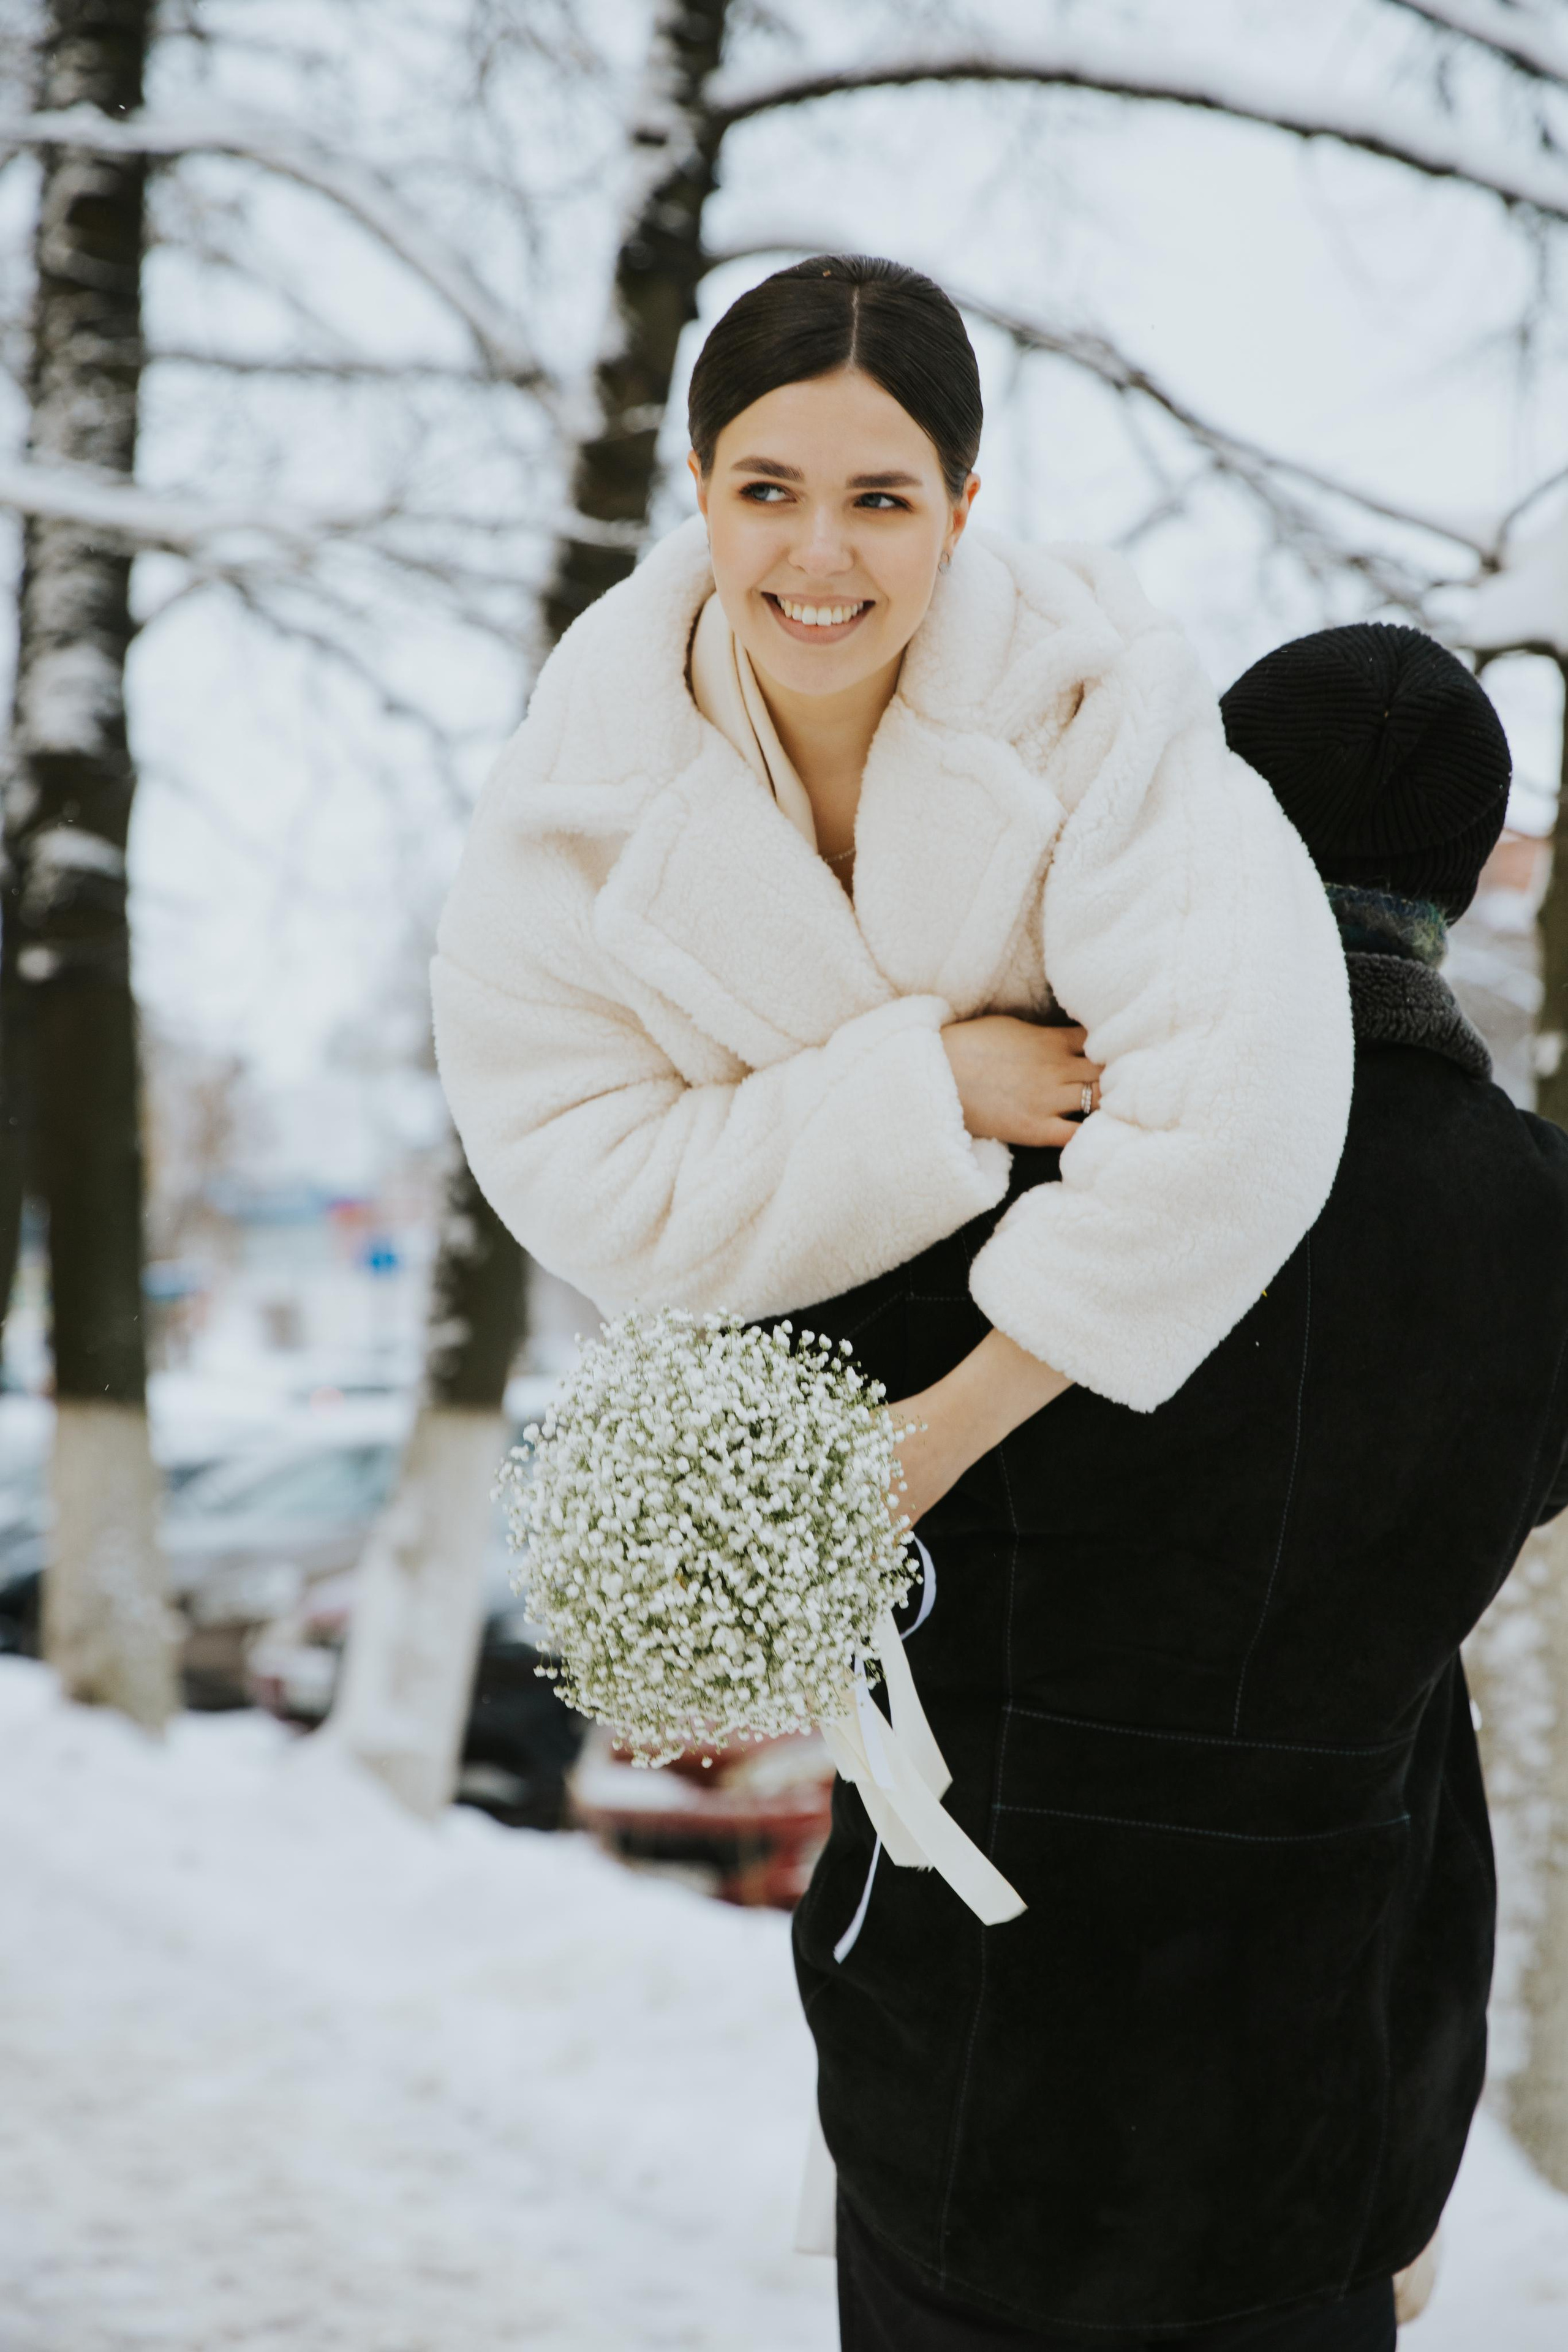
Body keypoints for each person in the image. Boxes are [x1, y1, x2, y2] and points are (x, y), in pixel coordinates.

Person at [793, 622, 1568, 2350]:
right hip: (1322, 2106)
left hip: (972, 2076)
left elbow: (796, 1415)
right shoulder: (1539, 1222)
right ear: (1462, 883)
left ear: (1206, 819)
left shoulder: (1020, 1130)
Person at [432, 253, 1350, 1469]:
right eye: (767, 492)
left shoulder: (1096, 700)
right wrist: (924, 1093)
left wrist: (939, 1435)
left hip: (1115, 1451)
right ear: (699, 491)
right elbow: (592, 1191)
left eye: (879, 501)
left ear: (958, 511)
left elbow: (1242, 1101)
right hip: (763, 1473)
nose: (819, 554)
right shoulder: (570, 795)